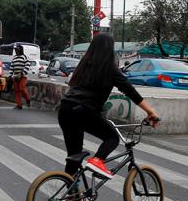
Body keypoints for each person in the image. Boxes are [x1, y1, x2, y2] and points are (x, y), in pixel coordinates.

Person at [60, 32, 159, 181]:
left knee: (74, 156)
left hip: (65, 109)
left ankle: (71, 199)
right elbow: (130, 91)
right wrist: (150, 111)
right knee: (112, 137)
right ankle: (98, 160)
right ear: (109, 49)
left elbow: (77, 88)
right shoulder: (110, 69)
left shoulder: (83, 65)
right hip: (83, 111)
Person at [10, 45, 32, 110]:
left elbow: (27, 65)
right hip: (15, 76)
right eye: (15, 49)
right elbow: (12, 67)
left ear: (20, 50)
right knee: (17, 91)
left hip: (22, 76)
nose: (16, 51)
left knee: (22, 89)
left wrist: (22, 73)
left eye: (17, 49)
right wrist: (10, 75)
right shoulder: (14, 58)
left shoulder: (24, 57)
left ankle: (27, 100)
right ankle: (19, 105)